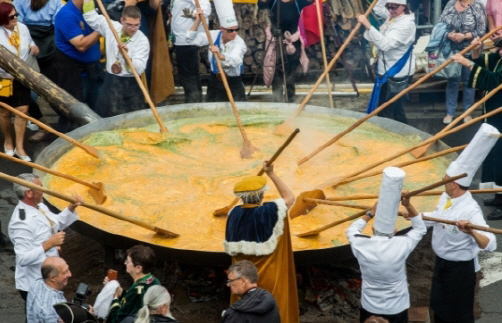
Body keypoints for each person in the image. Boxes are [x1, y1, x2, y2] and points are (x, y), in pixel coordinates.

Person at [408, 123, 498, 323]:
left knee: (457, 317)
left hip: (459, 272)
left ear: (454, 184)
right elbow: (436, 216)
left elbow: (491, 243)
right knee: (437, 309)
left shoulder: (470, 210)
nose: (442, 181)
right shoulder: (445, 196)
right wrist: (413, 215)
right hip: (441, 265)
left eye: (445, 179)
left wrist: (472, 233)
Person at [346, 167, 427, 323]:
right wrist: (408, 205)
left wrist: (370, 213)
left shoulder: (361, 244)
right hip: (397, 307)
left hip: (370, 307)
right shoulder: (401, 244)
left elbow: (351, 230)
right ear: (395, 231)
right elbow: (420, 228)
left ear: (372, 229)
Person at [224, 161, 298, 323]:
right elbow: (289, 198)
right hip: (270, 275)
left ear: (241, 197)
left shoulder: (233, 214)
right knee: (270, 310)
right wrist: (271, 173)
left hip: (242, 279)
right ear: (262, 194)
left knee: (244, 312)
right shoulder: (269, 211)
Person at [8, 173, 82, 303]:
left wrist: (71, 207)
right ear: (29, 194)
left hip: (48, 278)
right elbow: (23, 258)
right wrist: (49, 244)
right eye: (40, 188)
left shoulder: (39, 206)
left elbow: (55, 223)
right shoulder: (21, 222)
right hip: (35, 282)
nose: (44, 191)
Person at [452, 38, 502, 220]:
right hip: (495, 116)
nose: (500, 52)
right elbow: (486, 64)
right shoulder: (500, 57)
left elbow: (493, 79)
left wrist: (467, 62)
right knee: (494, 156)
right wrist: (475, 52)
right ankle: (498, 195)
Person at [83, 2, 150, 117]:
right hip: (111, 81)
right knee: (103, 117)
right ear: (122, 20)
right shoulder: (112, 27)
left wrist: (126, 57)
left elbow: (139, 68)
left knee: (133, 122)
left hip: (131, 84)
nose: (133, 29)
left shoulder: (143, 41)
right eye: (129, 24)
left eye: (136, 25)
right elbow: (91, 17)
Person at [357, 0, 415, 124]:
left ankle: (390, 137)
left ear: (404, 6)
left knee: (385, 109)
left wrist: (368, 25)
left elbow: (385, 44)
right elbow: (377, 8)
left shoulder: (406, 25)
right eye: (388, 7)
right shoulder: (393, 16)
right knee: (395, 107)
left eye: (394, 7)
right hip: (387, 69)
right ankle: (406, 132)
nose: (390, 10)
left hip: (397, 73)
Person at [14, 0, 62, 142]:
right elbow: (18, 23)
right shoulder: (20, 1)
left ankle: (65, 123)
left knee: (53, 90)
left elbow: (57, 23)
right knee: (26, 92)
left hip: (49, 47)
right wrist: (28, 43)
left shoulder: (56, 2)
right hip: (26, 45)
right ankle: (42, 125)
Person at [54, 0, 103, 132]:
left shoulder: (91, 10)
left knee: (100, 108)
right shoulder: (66, 14)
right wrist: (102, 27)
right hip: (74, 73)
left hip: (94, 69)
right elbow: (81, 45)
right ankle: (66, 145)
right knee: (72, 114)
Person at [0, 1, 39, 162]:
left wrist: (34, 47)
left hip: (22, 76)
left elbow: (30, 42)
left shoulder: (22, 28)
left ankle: (20, 146)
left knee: (22, 110)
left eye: (16, 14)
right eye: (12, 16)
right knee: (5, 112)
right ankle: (8, 140)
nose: (16, 18)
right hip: (2, 79)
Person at [437, 0, 486, 124]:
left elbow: (481, 30)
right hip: (452, 50)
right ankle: (450, 112)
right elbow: (440, 25)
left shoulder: (477, 6)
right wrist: (449, 35)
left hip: (470, 50)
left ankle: (467, 112)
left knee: (468, 82)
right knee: (452, 80)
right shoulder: (450, 4)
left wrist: (464, 36)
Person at [187, 7, 246, 102]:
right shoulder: (214, 35)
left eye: (236, 29)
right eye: (230, 30)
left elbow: (236, 60)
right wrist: (197, 21)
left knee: (240, 111)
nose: (234, 33)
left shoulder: (239, 42)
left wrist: (220, 56)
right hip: (215, 80)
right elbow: (190, 39)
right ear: (222, 29)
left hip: (233, 82)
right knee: (212, 111)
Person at [258, 0, 311, 102]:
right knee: (276, 69)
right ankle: (277, 98)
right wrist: (272, 27)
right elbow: (261, 4)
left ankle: (290, 98)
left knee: (291, 69)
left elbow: (310, 2)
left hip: (293, 40)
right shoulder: (273, 1)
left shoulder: (298, 2)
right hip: (276, 39)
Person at [94, 245, 160, 323]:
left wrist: (115, 298)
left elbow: (118, 319)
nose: (125, 263)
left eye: (128, 262)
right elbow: (131, 304)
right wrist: (121, 292)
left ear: (138, 268)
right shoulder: (154, 281)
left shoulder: (138, 291)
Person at [170, 0, 211, 103]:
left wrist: (195, 15)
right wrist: (187, 14)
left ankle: (193, 103)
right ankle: (195, 102)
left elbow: (205, 9)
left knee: (188, 76)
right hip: (181, 38)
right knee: (191, 74)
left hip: (187, 39)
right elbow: (183, 11)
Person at [26, 257, 72, 323]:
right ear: (52, 277)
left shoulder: (35, 284)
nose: (70, 274)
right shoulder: (56, 309)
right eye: (65, 272)